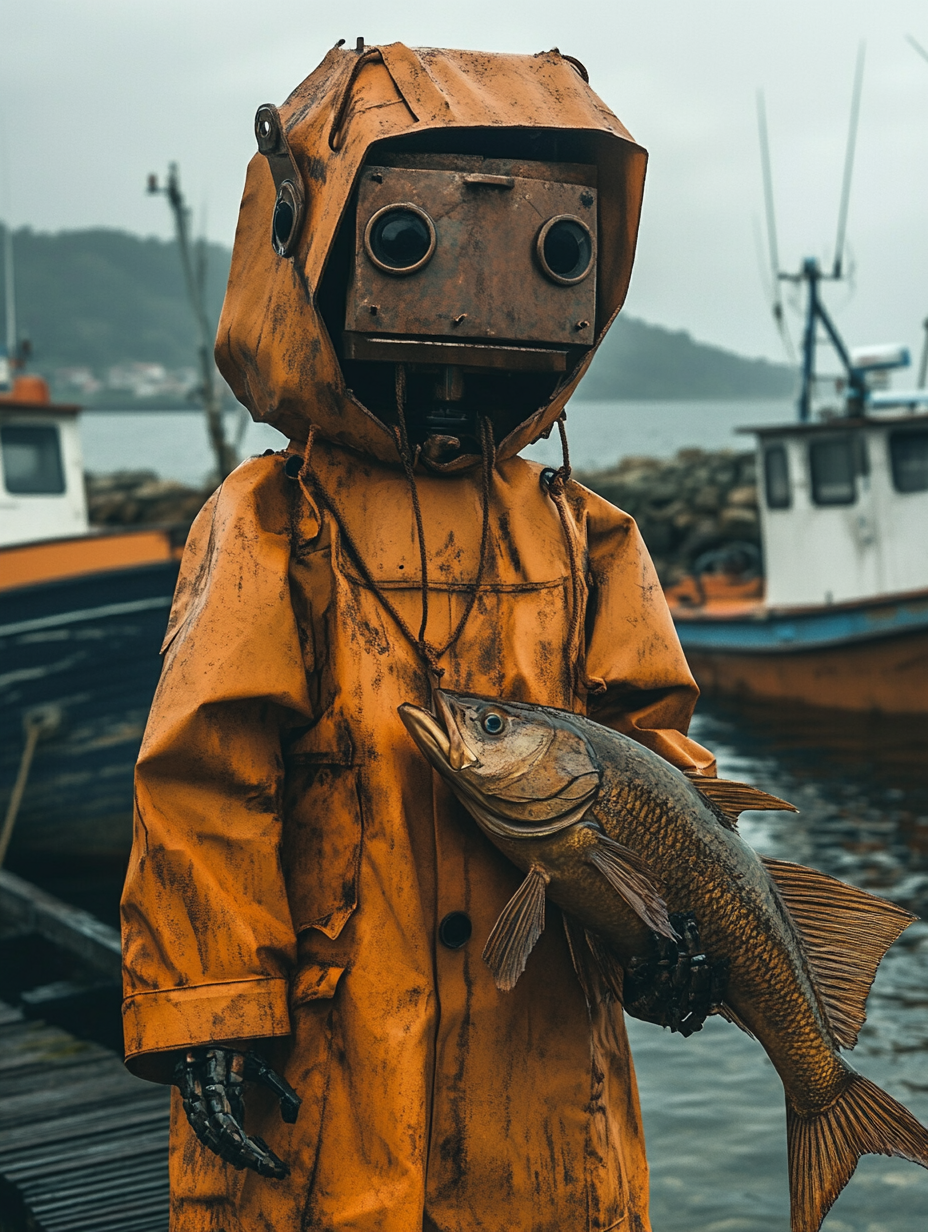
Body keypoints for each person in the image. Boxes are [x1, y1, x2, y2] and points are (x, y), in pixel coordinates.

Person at [121, 40, 718, 1232]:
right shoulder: (273, 523)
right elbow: (205, 778)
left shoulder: (586, 540)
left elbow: (655, 762)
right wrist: (211, 1001)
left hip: (544, 1101)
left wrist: (680, 932)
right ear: (314, 251)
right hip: (330, 1091)